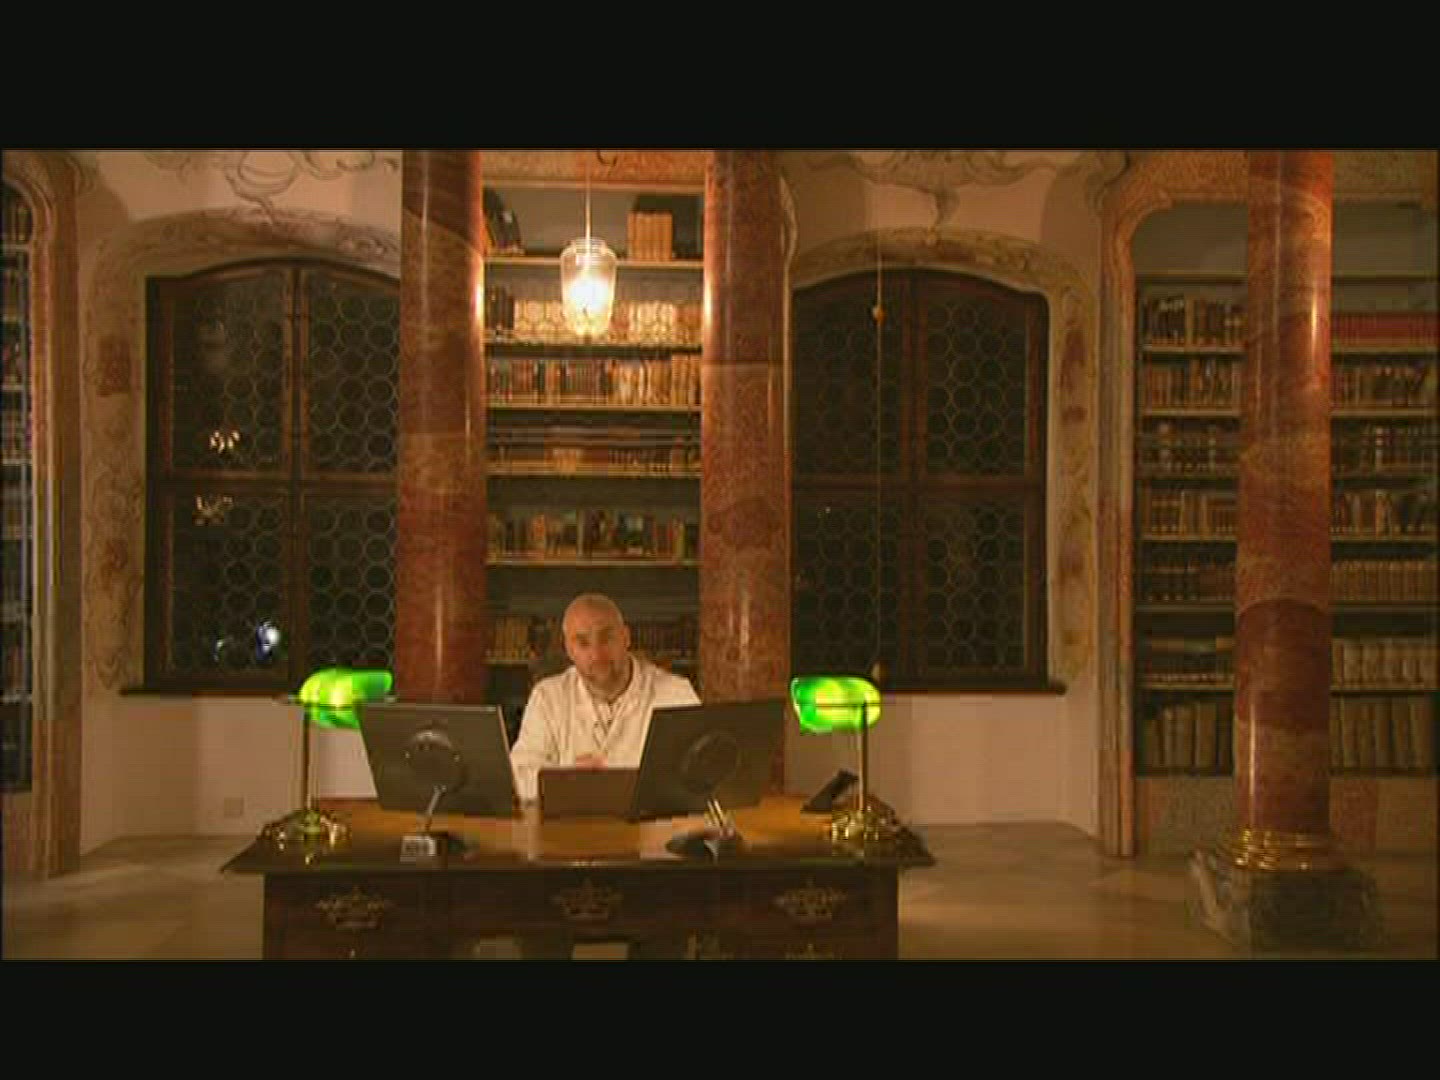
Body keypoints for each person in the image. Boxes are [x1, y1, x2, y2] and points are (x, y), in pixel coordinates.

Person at [509, 592, 699, 803]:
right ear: (569, 650)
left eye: (606, 638)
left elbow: (696, 774)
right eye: (583, 643)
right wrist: (566, 779)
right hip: (571, 822)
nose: (597, 654)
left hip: (650, 821)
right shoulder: (547, 697)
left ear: (626, 637)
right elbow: (519, 775)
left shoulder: (675, 693)